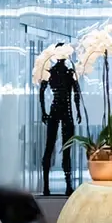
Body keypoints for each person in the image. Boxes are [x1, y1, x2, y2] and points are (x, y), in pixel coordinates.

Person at [38, 56, 81, 195]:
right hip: (61, 111)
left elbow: (76, 93)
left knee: (57, 147)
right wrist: (44, 112)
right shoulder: (61, 72)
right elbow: (76, 93)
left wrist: (44, 112)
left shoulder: (60, 72)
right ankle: (50, 186)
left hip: (60, 111)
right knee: (54, 147)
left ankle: (60, 186)